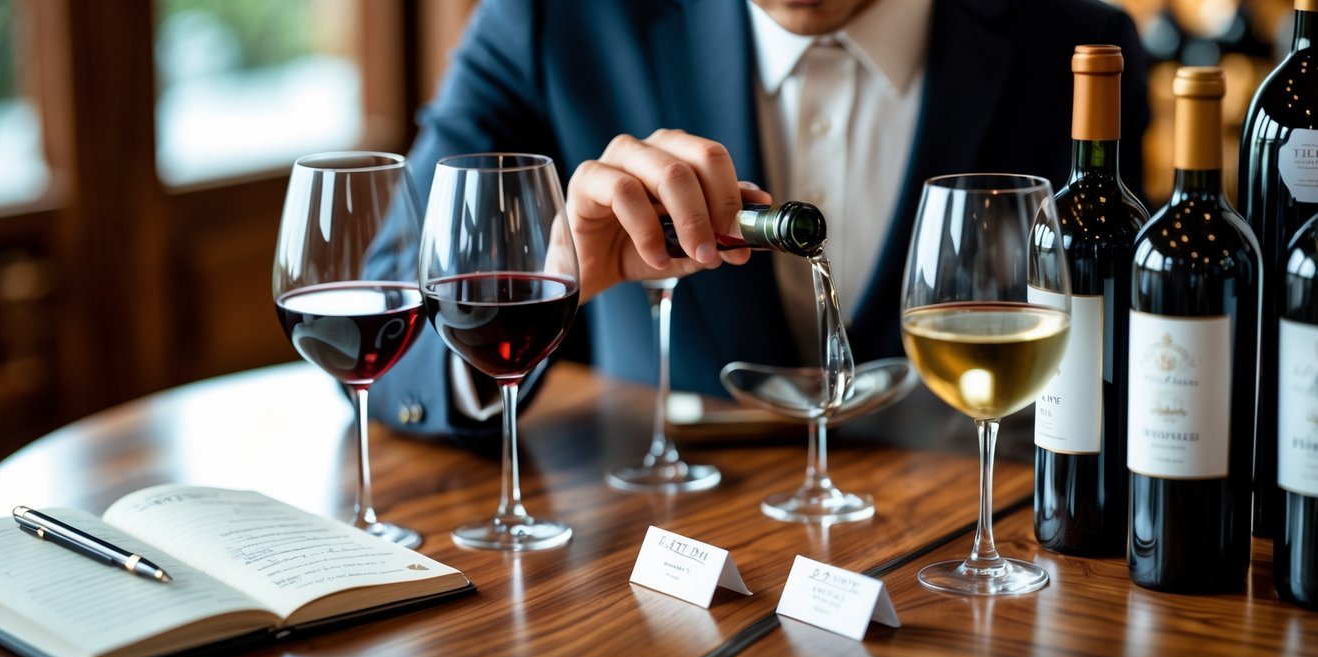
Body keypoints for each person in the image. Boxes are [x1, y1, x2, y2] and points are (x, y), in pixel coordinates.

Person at [368, 0, 1150, 439]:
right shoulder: (548, 20)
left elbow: (1123, 353)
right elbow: (389, 309)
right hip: (657, 575)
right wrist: (547, 280)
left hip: (968, 565)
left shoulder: (1080, 49)